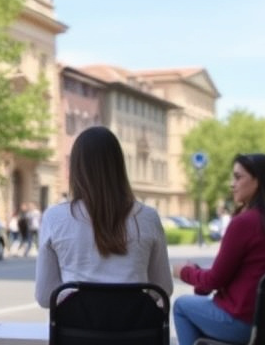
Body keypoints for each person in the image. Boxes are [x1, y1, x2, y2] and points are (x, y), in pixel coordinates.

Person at [172, 154, 265, 345]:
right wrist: (202, 281)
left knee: (182, 306)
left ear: (257, 181)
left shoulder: (244, 223)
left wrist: (184, 272)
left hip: (243, 323)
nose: (231, 184)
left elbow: (215, 280)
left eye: (238, 177)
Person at [35, 126, 173, 308]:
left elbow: (45, 297)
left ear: (76, 168)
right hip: (134, 333)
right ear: (119, 166)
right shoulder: (148, 218)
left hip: (78, 334)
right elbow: (162, 288)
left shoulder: (54, 218)